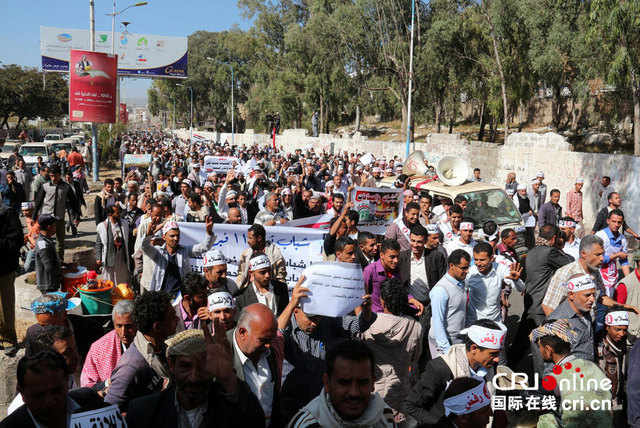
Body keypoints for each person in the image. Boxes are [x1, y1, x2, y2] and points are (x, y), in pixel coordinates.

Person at [125, 327, 266, 427]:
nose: (193, 378)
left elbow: (254, 422)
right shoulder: (143, 411)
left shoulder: (230, 405)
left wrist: (228, 378)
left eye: (202, 367)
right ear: (171, 365)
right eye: (185, 367)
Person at [406, 319, 505, 426]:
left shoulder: (488, 367)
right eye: (493, 354)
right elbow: (412, 405)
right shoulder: (441, 368)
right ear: (474, 348)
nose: (497, 359)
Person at [287, 340, 396, 428]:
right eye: (344, 383)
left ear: (373, 383)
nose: (354, 393)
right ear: (327, 383)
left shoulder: (385, 418)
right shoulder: (307, 424)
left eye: (362, 382)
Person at [361, 278, 422, 423]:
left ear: (382, 301)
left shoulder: (369, 325)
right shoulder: (415, 327)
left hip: (372, 396)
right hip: (400, 398)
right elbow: (415, 357)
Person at [531, 319, 613, 426]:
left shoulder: (553, 379)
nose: (539, 350)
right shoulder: (594, 367)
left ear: (548, 349)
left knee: (545, 415)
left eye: (539, 346)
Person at [105, 291, 178, 410]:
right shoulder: (131, 367)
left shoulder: (161, 349)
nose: (177, 319)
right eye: (172, 316)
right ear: (157, 327)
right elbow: (109, 414)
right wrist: (145, 412)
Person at [0, 351, 102, 428]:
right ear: (22, 393)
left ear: (67, 382)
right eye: (39, 395)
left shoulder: (92, 403)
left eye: (56, 391)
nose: (49, 402)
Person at [229, 303, 283, 427]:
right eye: (263, 340)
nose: (269, 345)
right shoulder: (221, 352)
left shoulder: (270, 351)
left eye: (272, 339)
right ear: (242, 332)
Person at [142, 218, 216, 296]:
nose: (176, 239)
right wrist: (148, 236)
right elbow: (145, 247)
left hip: (180, 297)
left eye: (177, 235)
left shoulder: (185, 251)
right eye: (172, 236)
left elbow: (204, 247)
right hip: (162, 297)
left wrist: (209, 233)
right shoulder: (158, 252)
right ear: (164, 237)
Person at [24, 292, 104, 360]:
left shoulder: (90, 328)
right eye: (42, 325)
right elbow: (30, 364)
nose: (46, 330)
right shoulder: (32, 334)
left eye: (51, 325)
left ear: (64, 315)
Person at [81, 300, 137, 390]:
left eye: (128, 326)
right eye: (119, 326)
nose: (123, 332)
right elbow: (87, 386)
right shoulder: (98, 348)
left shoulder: (148, 340)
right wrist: (108, 383)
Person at [466, 242, 524, 327]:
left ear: (491, 258)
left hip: (494, 321)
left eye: (482, 260)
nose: (478, 263)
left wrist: (516, 280)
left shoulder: (501, 269)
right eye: (476, 259)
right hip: (473, 322)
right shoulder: (470, 273)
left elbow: (521, 288)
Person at [428, 250, 471, 357]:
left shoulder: (462, 283)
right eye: (463, 268)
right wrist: (447, 351)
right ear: (451, 266)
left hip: (458, 340)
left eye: (468, 267)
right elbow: (438, 323)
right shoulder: (440, 290)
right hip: (443, 343)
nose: (467, 271)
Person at [398, 225, 447, 317]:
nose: (415, 245)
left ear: (425, 241)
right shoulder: (402, 258)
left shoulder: (436, 257)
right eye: (413, 241)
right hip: (410, 307)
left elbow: (443, 282)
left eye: (419, 242)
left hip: (432, 306)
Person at [33, 165, 79, 259]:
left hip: (59, 218)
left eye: (56, 176)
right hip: (46, 218)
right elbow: (38, 202)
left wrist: (76, 217)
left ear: (60, 175)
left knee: (60, 242)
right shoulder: (45, 186)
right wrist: (34, 217)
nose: (54, 178)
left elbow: (74, 204)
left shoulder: (66, 187)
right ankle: (46, 260)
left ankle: (59, 261)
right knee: (45, 240)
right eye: (51, 176)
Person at [597, 310, 629, 422]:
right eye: (617, 329)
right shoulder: (600, 349)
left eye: (625, 330)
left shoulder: (624, 345)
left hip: (618, 401)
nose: (622, 334)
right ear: (607, 327)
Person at [234, 253, 289, 317]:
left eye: (269, 271)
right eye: (262, 272)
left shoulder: (281, 288)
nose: (267, 276)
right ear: (251, 273)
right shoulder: (241, 297)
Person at [34, 214, 77, 294]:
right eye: (54, 225)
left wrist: (66, 265)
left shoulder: (47, 240)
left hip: (51, 283)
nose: (56, 227)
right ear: (49, 227)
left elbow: (51, 261)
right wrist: (70, 270)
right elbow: (50, 268)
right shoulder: (43, 244)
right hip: (48, 286)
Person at [0, 197, 21, 356]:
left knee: (5, 305)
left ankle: (8, 340)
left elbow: (16, 240)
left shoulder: (7, 213)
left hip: (4, 268)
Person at [236, 224, 287, 288]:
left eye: (250, 238)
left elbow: (280, 279)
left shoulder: (276, 256)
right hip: (248, 292)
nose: (248, 241)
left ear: (259, 238)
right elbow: (241, 274)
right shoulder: (246, 254)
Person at [596, 209, 631, 294]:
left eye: (619, 222)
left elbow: (624, 261)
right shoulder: (600, 236)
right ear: (608, 221)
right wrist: (617, 255)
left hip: (613, 278)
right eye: (613, 221)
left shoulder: (622, 239)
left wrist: (629, 280)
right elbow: (596, 260)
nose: (616, 225)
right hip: (599, 276)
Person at [96, 204, 131, 286]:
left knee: (122, 278)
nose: (119, 214)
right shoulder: (102, 226)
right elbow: (98, 243)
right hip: (110, 257)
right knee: (109, 280)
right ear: (110, 214)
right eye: (117, 213)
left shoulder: (124, 224)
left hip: (121, 256)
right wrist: (98, 258)